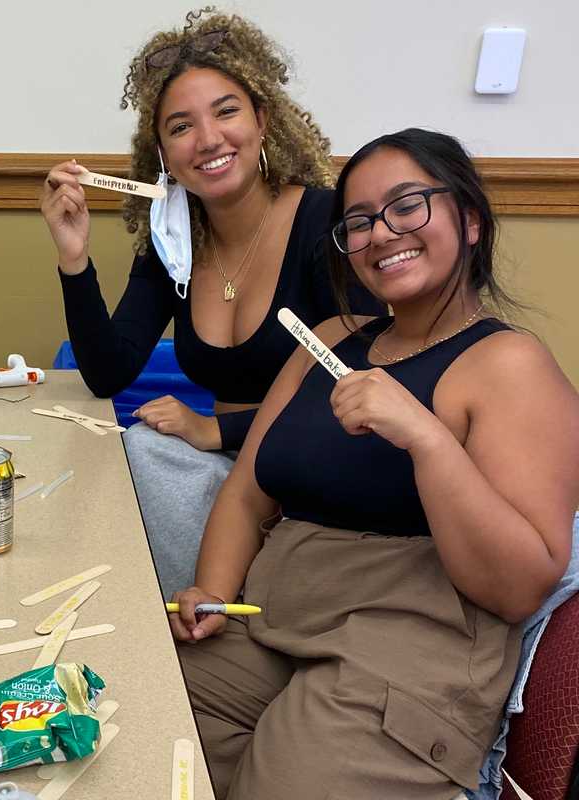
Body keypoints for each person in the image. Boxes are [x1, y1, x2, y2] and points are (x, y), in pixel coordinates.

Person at [170, 129, 579, 798]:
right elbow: (248, 492)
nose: (381, 233)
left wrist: (427, 439)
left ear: (470, 220)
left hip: (412, 650)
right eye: (357, 222)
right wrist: (211, 591)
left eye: (407, 205)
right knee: (129, 711)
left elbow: (518, 587)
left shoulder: (511, 365)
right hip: (275, 619)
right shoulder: (330, 338)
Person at [40, 9, 383, 596]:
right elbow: (107, 372)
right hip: (227, 476)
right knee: (144, 452)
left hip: (317, 466)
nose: (208, 139)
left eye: (226, 111)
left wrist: (214, 431)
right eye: (180, 126)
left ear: (263, 120)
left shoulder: (327, 222)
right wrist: (74, 259)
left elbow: (355, 388)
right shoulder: (174, 241)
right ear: (164, 155)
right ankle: (196, 623)